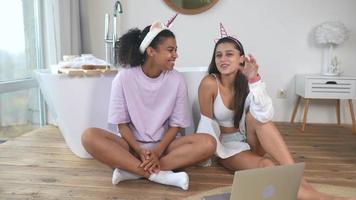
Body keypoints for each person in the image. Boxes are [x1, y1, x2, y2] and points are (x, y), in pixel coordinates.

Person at [196, 23, 355, 200]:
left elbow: (265, 116)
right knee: (267, 164)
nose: (222, 59)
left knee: (256, 118)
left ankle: (297, 176)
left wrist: (254, 80)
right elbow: (206, 124)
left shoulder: (246, 81)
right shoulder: (209, 83)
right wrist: (205, 154)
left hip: (249, 140)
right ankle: (318, 197)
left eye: (229, 54)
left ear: (241, 59)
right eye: (218, 55)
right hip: (227, 147)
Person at [81, 18, 216, 190]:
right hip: (131, 147)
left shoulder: (177, 80)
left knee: (209, 143)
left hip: (166, 148)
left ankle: (132, 171)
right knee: (89, 136)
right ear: (151, 51)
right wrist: (138, 150)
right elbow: (121, 125)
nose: (175, 55)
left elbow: (175, 126)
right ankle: (159, 175)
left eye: (175, 50)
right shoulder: (124, 78)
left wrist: (158, 152)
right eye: (170, 50)